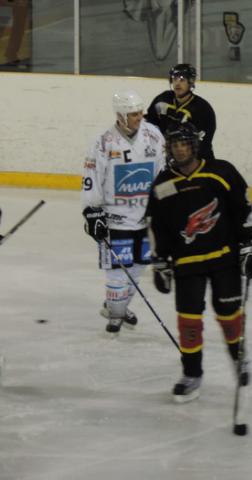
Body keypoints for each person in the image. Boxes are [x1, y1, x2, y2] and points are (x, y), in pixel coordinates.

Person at [145, 122, 252, 403]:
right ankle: (192, 373)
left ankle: (239, 358)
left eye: (184, 144)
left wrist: (248, 244)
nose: (180, 149)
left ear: (194, 146)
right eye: (175, 144)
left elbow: (242, 207)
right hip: (187, 262)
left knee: (229, 314)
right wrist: (160, 261)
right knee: (189, 319)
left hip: (224, 258)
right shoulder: (163, 185)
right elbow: (157, 226)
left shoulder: (221, 172)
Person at [81, 90, 165, 336]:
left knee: (138, 268)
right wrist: (92, 211)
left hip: (146, 218)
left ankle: (116, 306)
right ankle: (116, 314)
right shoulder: (103, 141)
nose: (139, 117)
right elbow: (91, 178)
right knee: (117, 274)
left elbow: (162, 172)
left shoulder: (154, 135)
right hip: (115, 219)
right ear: (120, 115)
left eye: (140, 112)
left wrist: (164, 207)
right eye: (133, 114)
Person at [145, 63, 217, 160]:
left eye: (182, 80)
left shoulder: (202, 109)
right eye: (174, 79)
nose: (177, 83)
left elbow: (203, 143)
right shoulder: (162, 99)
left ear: (190, 82)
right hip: (167, 159)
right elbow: (150, 123)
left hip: (197, 162)